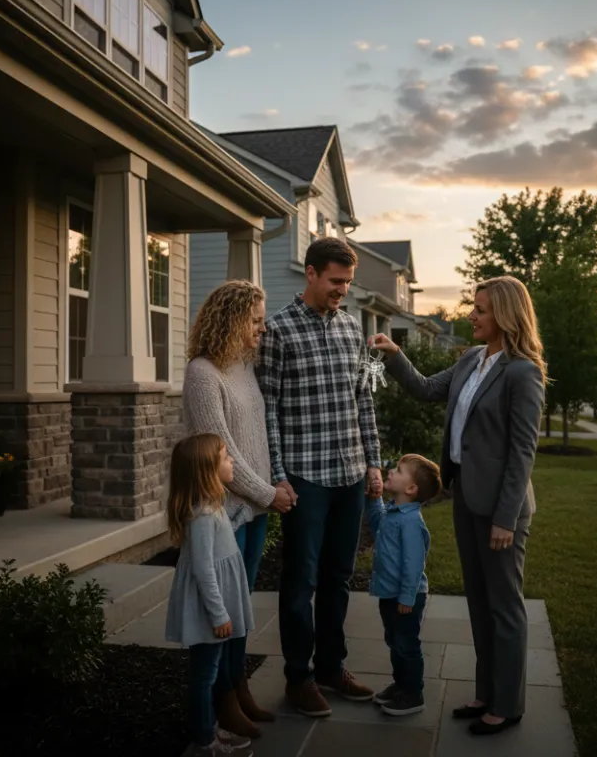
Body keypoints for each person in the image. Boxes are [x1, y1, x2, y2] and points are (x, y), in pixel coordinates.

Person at [369, 275, 546, 737]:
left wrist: (505, 518)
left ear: (505, 314)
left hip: (501, 505)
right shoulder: (472, 359)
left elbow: (522, 452)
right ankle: (486, 693)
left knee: (504, 605)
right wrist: (395, 354)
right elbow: (427, 389)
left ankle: (507, 705)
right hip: (465, 495)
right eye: (474, 307)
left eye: (480, 309)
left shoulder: (523, 372)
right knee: (479, 601)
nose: (471, 315)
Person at [256, 237, 384, 717]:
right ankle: (298, 678)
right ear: (310, 273)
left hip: (350, 474)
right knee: (300, 581)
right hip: (305, 477)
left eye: (347, 283)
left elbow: (364, 399)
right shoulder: (277, 331)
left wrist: (373, 462)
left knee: (339, 577)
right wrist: (278, 476)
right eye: (335, 281)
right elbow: (268, 410)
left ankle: (332, 667)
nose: (342, 290)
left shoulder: (352, 328)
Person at [183, 280, 297, 736]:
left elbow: (258, 434)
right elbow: (221, 448)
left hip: (255, 509)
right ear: (230, 320)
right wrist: (267, 493)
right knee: (224, 608)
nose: (262, 329)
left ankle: (238, 688)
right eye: (254, 321)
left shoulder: (245, 366)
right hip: (225, 513)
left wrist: (273, 486)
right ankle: (221, 700)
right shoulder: (202, 374)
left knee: (242, 607)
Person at [164, 433, 257, 757]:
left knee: (210, 671)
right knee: (205, 675)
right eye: (226, 458)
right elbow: (204, 569)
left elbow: (219, 542)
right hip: (208, 610)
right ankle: (205, 740)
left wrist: (239, 518)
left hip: (213, 606)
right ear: (207, 471)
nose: (232, 462)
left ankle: (209, 727)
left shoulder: (211, 508)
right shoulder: (202, 516)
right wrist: (219, 615)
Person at [366, 454, 441, 717]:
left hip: (407, 597)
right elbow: (377, 523)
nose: (390, 471)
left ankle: (412, 694)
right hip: (390, 593)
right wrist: (374, 498)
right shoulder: (393, 512)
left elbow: (413, 565)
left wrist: (407, 598)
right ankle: (401, 685)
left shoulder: (410, 522)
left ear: (411, 489)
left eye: (398, 470)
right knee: (394, 641)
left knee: (407, 645)